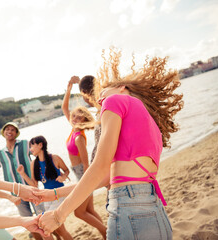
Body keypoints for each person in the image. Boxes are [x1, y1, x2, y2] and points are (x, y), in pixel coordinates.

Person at [36, 50, 183, 240]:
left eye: (102, 91)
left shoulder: (115, 100)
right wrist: (54, 194)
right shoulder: (150, 123)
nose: (98, 99)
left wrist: (58, 215)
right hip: (154, 209)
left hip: (129, 209)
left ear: (122, 88)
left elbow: (100, 165)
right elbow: (106, 178)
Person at [62, 78, 107, 239]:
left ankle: (105, 232)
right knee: (90, 211)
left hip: (83, 174)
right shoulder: (73, 130)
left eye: (79, 118)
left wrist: (86, 182)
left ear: (84, 121)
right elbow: (65, 108)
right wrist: (69, 88)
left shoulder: (79, 138)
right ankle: (106, 234)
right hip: (78, 174)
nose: (75, 118)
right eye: (74, 116)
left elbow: (87, 163)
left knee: (79, 212)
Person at [0, 122, 45, 240]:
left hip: (31, 189)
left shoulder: (25, 144)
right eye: (7, 129)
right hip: (16, 194)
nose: (9, 131)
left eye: (12, 130)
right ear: (3, 133)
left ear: (16, 133)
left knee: (43, 218)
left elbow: (39, 154)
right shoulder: (1, 153)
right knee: (29, 223)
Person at [17, 136, 73, 240]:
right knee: (50, 228)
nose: (30, 149)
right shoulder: (34, 163)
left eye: (32, 145)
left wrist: (63, 177)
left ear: (40, 145)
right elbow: (34, 185)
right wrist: (23, 174)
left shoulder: (55, 158)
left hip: (59, 194)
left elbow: (66, 170)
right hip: (47, 197)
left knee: (54, 227)